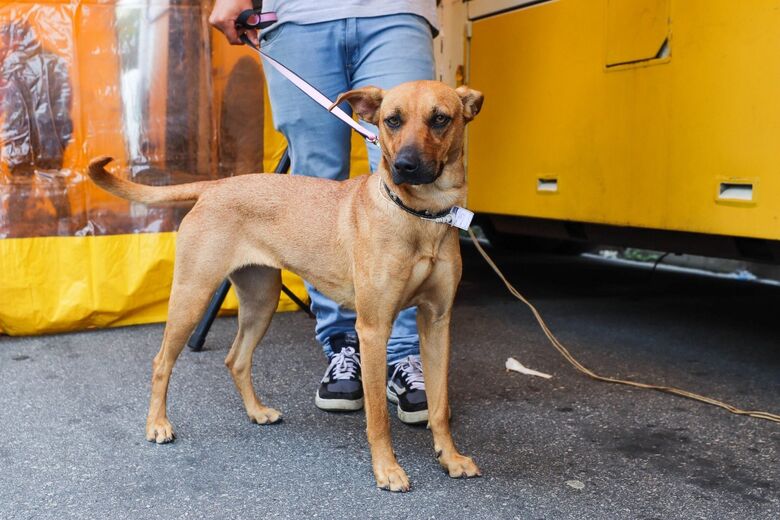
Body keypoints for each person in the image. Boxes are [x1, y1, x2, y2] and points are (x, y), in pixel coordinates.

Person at [209, 0, 437, 424]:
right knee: (314, 187)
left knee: (410, 177)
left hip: (397, 10)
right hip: (299, 16)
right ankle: (342, 343)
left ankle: (404, 354)